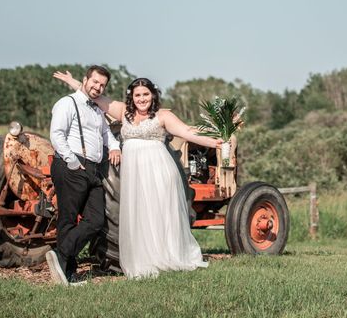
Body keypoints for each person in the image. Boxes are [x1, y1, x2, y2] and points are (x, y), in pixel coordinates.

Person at [53, 71, 221, 279]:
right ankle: (146, 257)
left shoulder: (163, 116)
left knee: (161, 214)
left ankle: (166, 254)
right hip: (134, 176)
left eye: (146, 95)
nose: (142, 99)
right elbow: (93, 93)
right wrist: (73, 82)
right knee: (140, 214)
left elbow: (187, 131)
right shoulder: (124, 113)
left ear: (153, 95)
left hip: (159, 171)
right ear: (131, 97)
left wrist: (216, 142)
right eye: (138, 95)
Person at [46, 65, 122, 286]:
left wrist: (115, 146)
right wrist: (72, 161)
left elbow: (106, 133)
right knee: (68, 219)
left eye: (102, 85)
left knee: (96, 220)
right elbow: (57, 134)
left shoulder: (98, 110)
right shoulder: (67, 103)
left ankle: (60, 254)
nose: (98, 87)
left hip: (93, 169)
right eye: (95, 82)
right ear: (85, 80)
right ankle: (67, 274)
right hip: (73, 165)